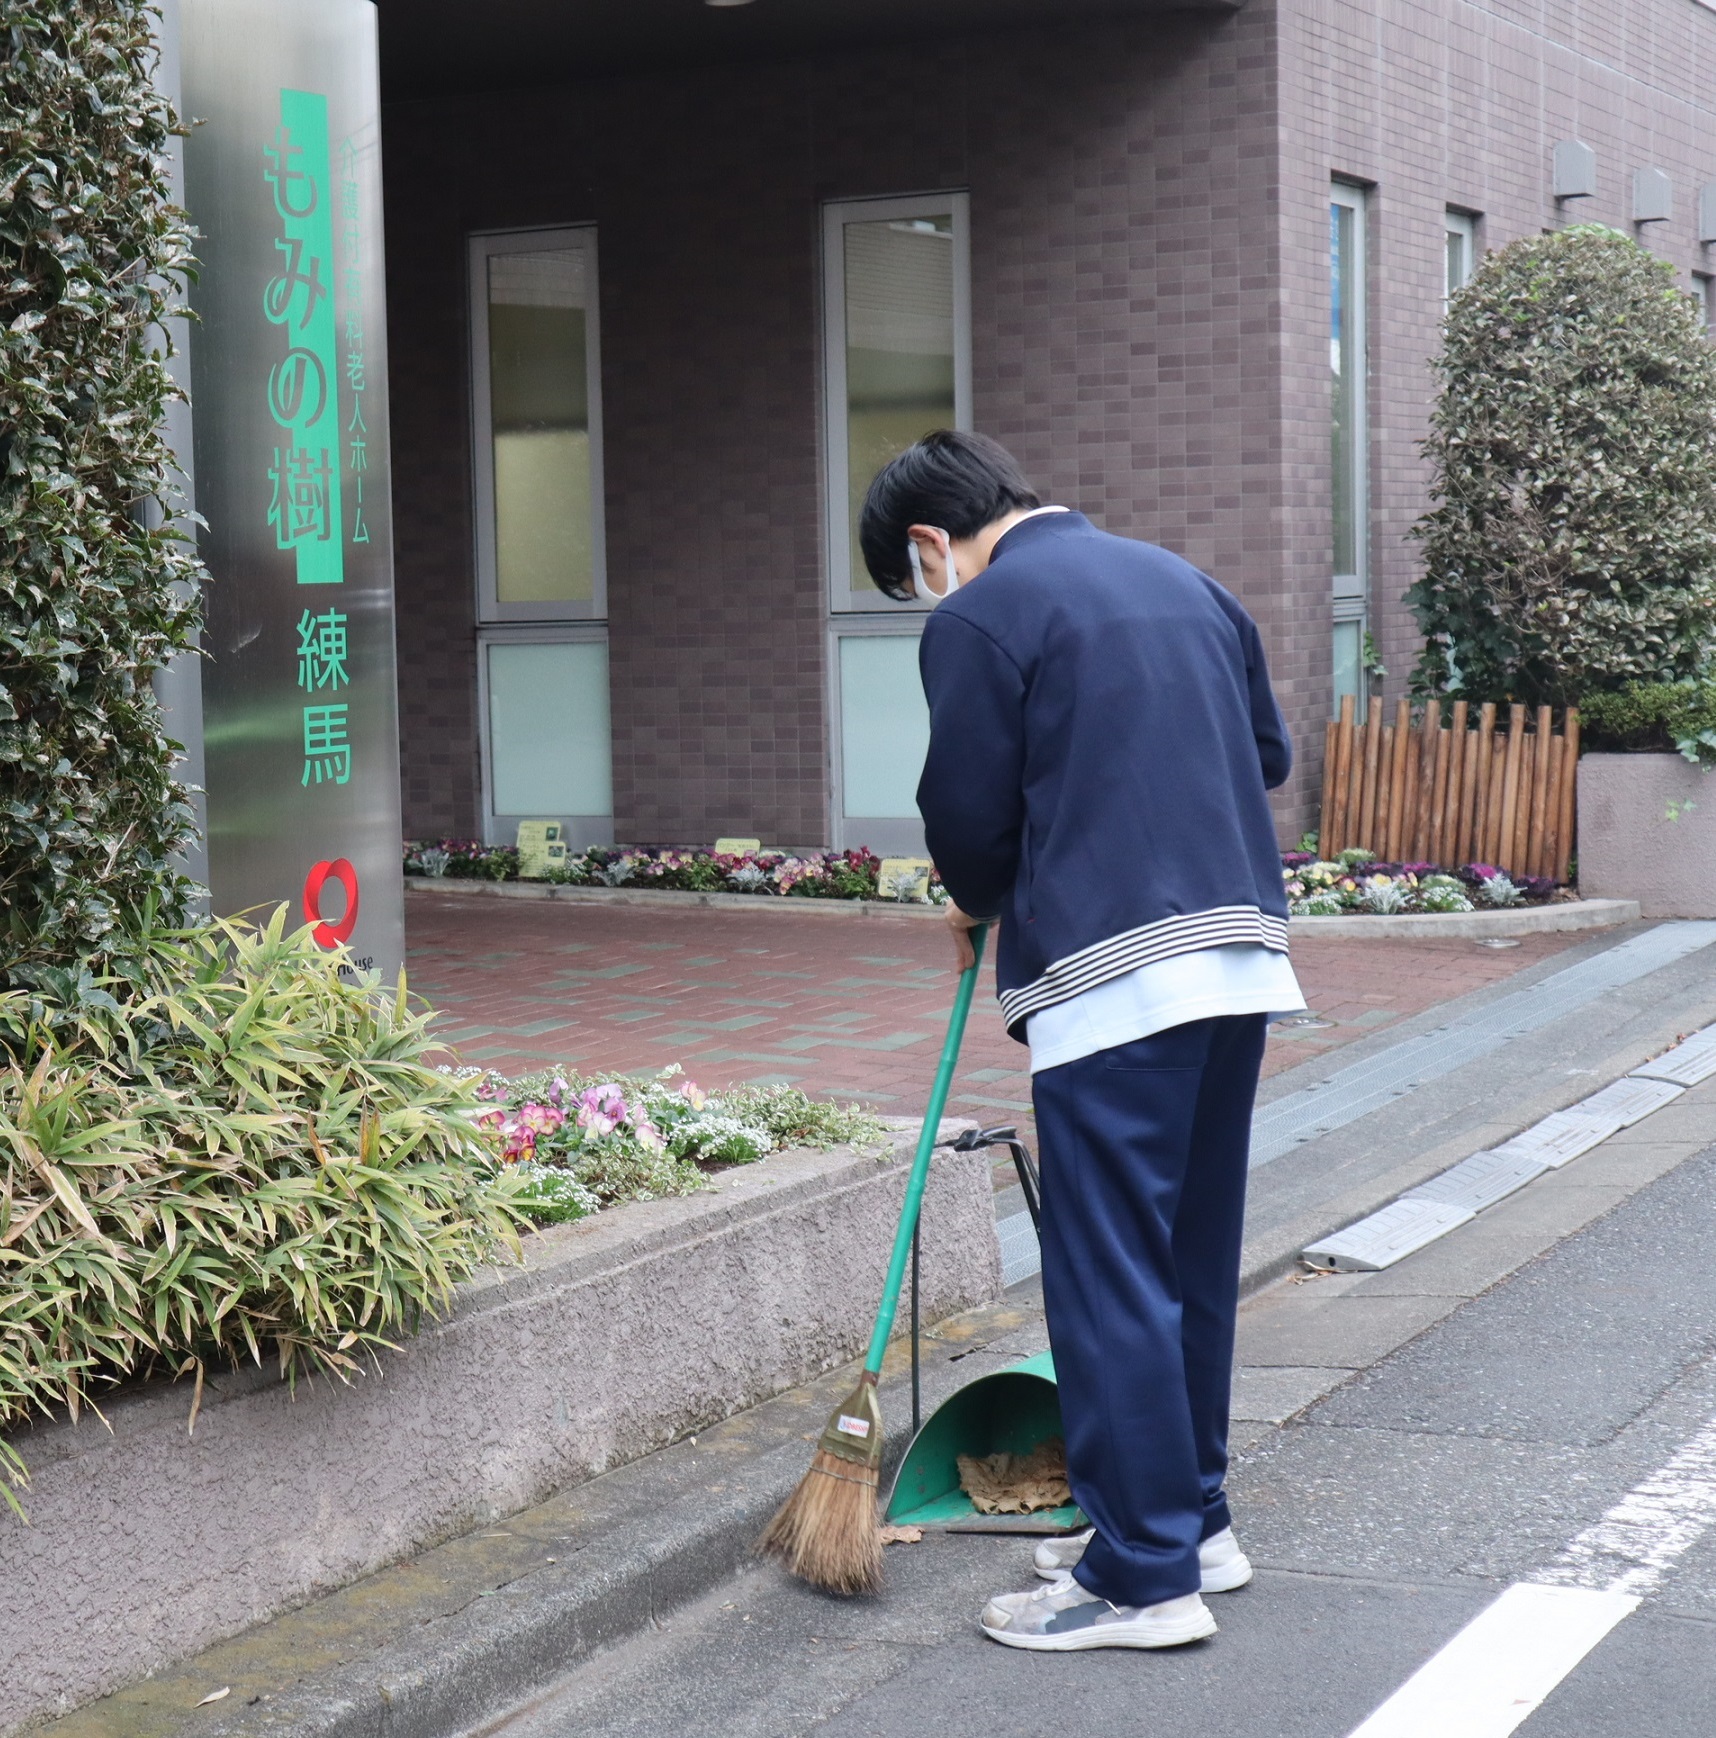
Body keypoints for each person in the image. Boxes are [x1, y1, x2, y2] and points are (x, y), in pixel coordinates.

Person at [858, 430, 1305, 1653]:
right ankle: (1190, 1521)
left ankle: (1142, 1578)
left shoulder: (982, 616)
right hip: (1239, 960)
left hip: (1114, 979)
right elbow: (1265, 756)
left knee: (1108, 1275)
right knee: (1186, 1260)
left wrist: (974, 891)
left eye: (912, 585)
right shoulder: (1184, 580)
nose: (925, 602)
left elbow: (968, 816)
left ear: (927, 545)